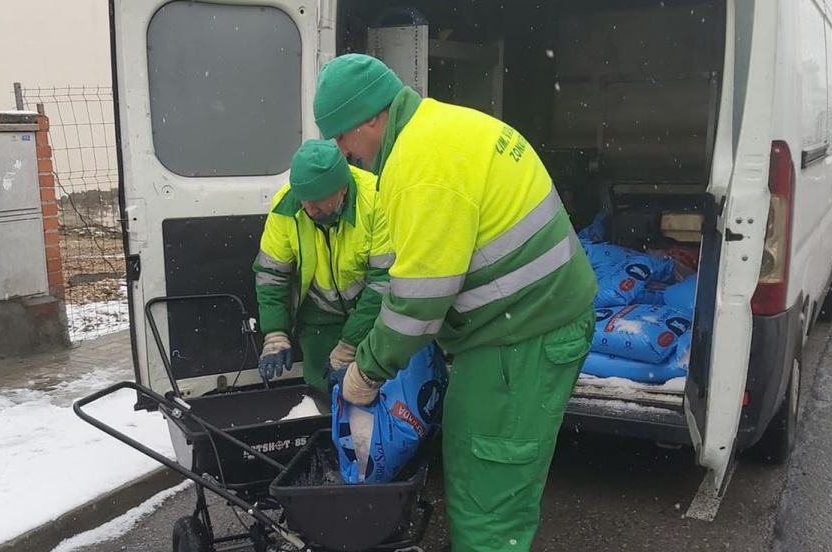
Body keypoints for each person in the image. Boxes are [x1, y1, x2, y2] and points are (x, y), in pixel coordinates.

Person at [314, 54, 598, 551]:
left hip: (523, 336)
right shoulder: (442, 126)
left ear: (371, 117)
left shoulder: (420, 166)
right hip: (520, 325)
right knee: (469, 458)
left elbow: (419, 300)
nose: (343, 152)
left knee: (490, 493)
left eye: (341, 136)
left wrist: (367, 371)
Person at [253, 139, 393, 394]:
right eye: (303, 199)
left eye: (317, 201)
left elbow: (385, 281)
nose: (309, 208)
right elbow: (271, 275)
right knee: (322, 392)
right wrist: (275, 333)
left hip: (373, 316)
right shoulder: (286, 205)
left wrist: (351, 345)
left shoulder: (377, 200)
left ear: (342, 190)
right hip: (319, 317)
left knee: (375, 392)